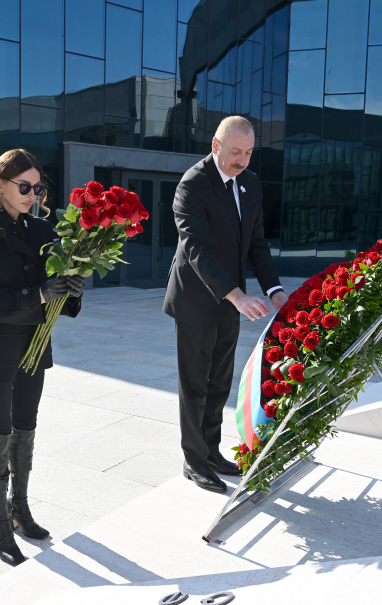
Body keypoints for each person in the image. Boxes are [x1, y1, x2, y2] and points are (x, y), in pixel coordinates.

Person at [0, 149, 85, 566]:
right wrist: (37, 294)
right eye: (24, 186)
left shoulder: (40, 228)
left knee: (25, 427)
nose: (32, 194)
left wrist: (69, 291)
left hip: (32, 342)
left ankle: (20, 508)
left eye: (38, 187)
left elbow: (53, 284)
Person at [163, 116, 287, 493]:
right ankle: (194, 461)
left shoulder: (249, 183)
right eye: (236, 152)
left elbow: (257, 242)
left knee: (218, 383)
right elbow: (196, 249)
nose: (243, 160)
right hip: (196, 300)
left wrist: (274, 289)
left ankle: (212, 452)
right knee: (195, 385)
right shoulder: (193, 184)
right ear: (216, 145)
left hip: (232, 301)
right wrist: (237, 295)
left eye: (249, 152)